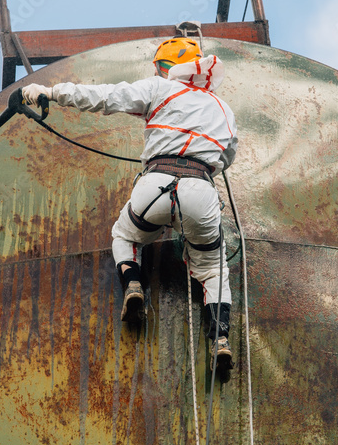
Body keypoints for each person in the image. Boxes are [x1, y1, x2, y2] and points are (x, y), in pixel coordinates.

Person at [21, 36, 238, 368]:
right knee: (212, 268)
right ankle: (220, 337)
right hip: (200, 191)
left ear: (165, 68)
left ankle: (134, 285)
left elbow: (105, 97)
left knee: (125, 236)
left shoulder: (159, 89)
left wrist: (50, 92)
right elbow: (227, 158)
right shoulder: (224, 109)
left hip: (154, 186)